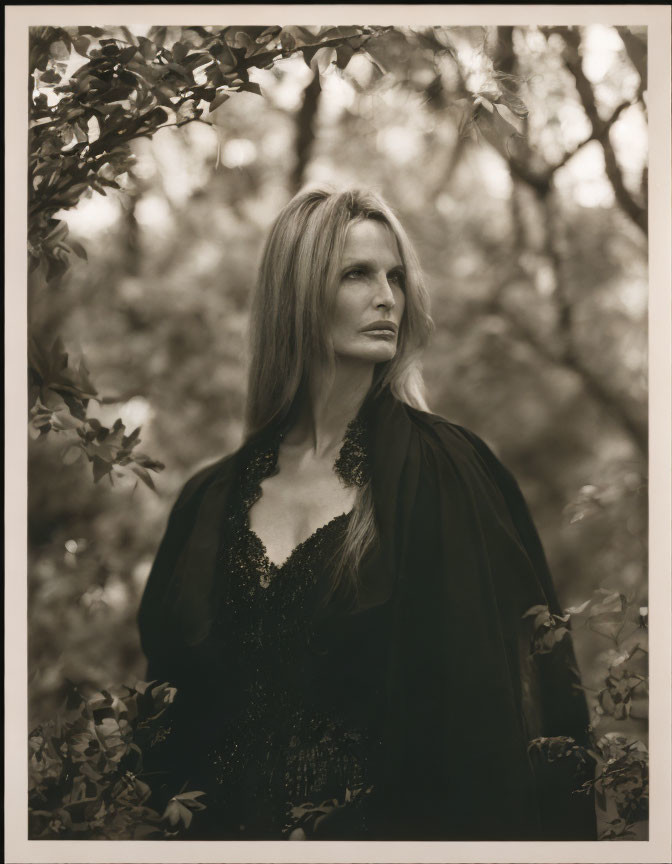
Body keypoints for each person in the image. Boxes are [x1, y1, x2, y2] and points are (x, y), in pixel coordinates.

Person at [137, 187, 596, 841]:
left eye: (396, 277)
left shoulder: (447, 471)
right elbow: (163, 718)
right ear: (296, 295)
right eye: (357, 274)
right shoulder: (208, 501)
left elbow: (492, 710)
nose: (387, 298)